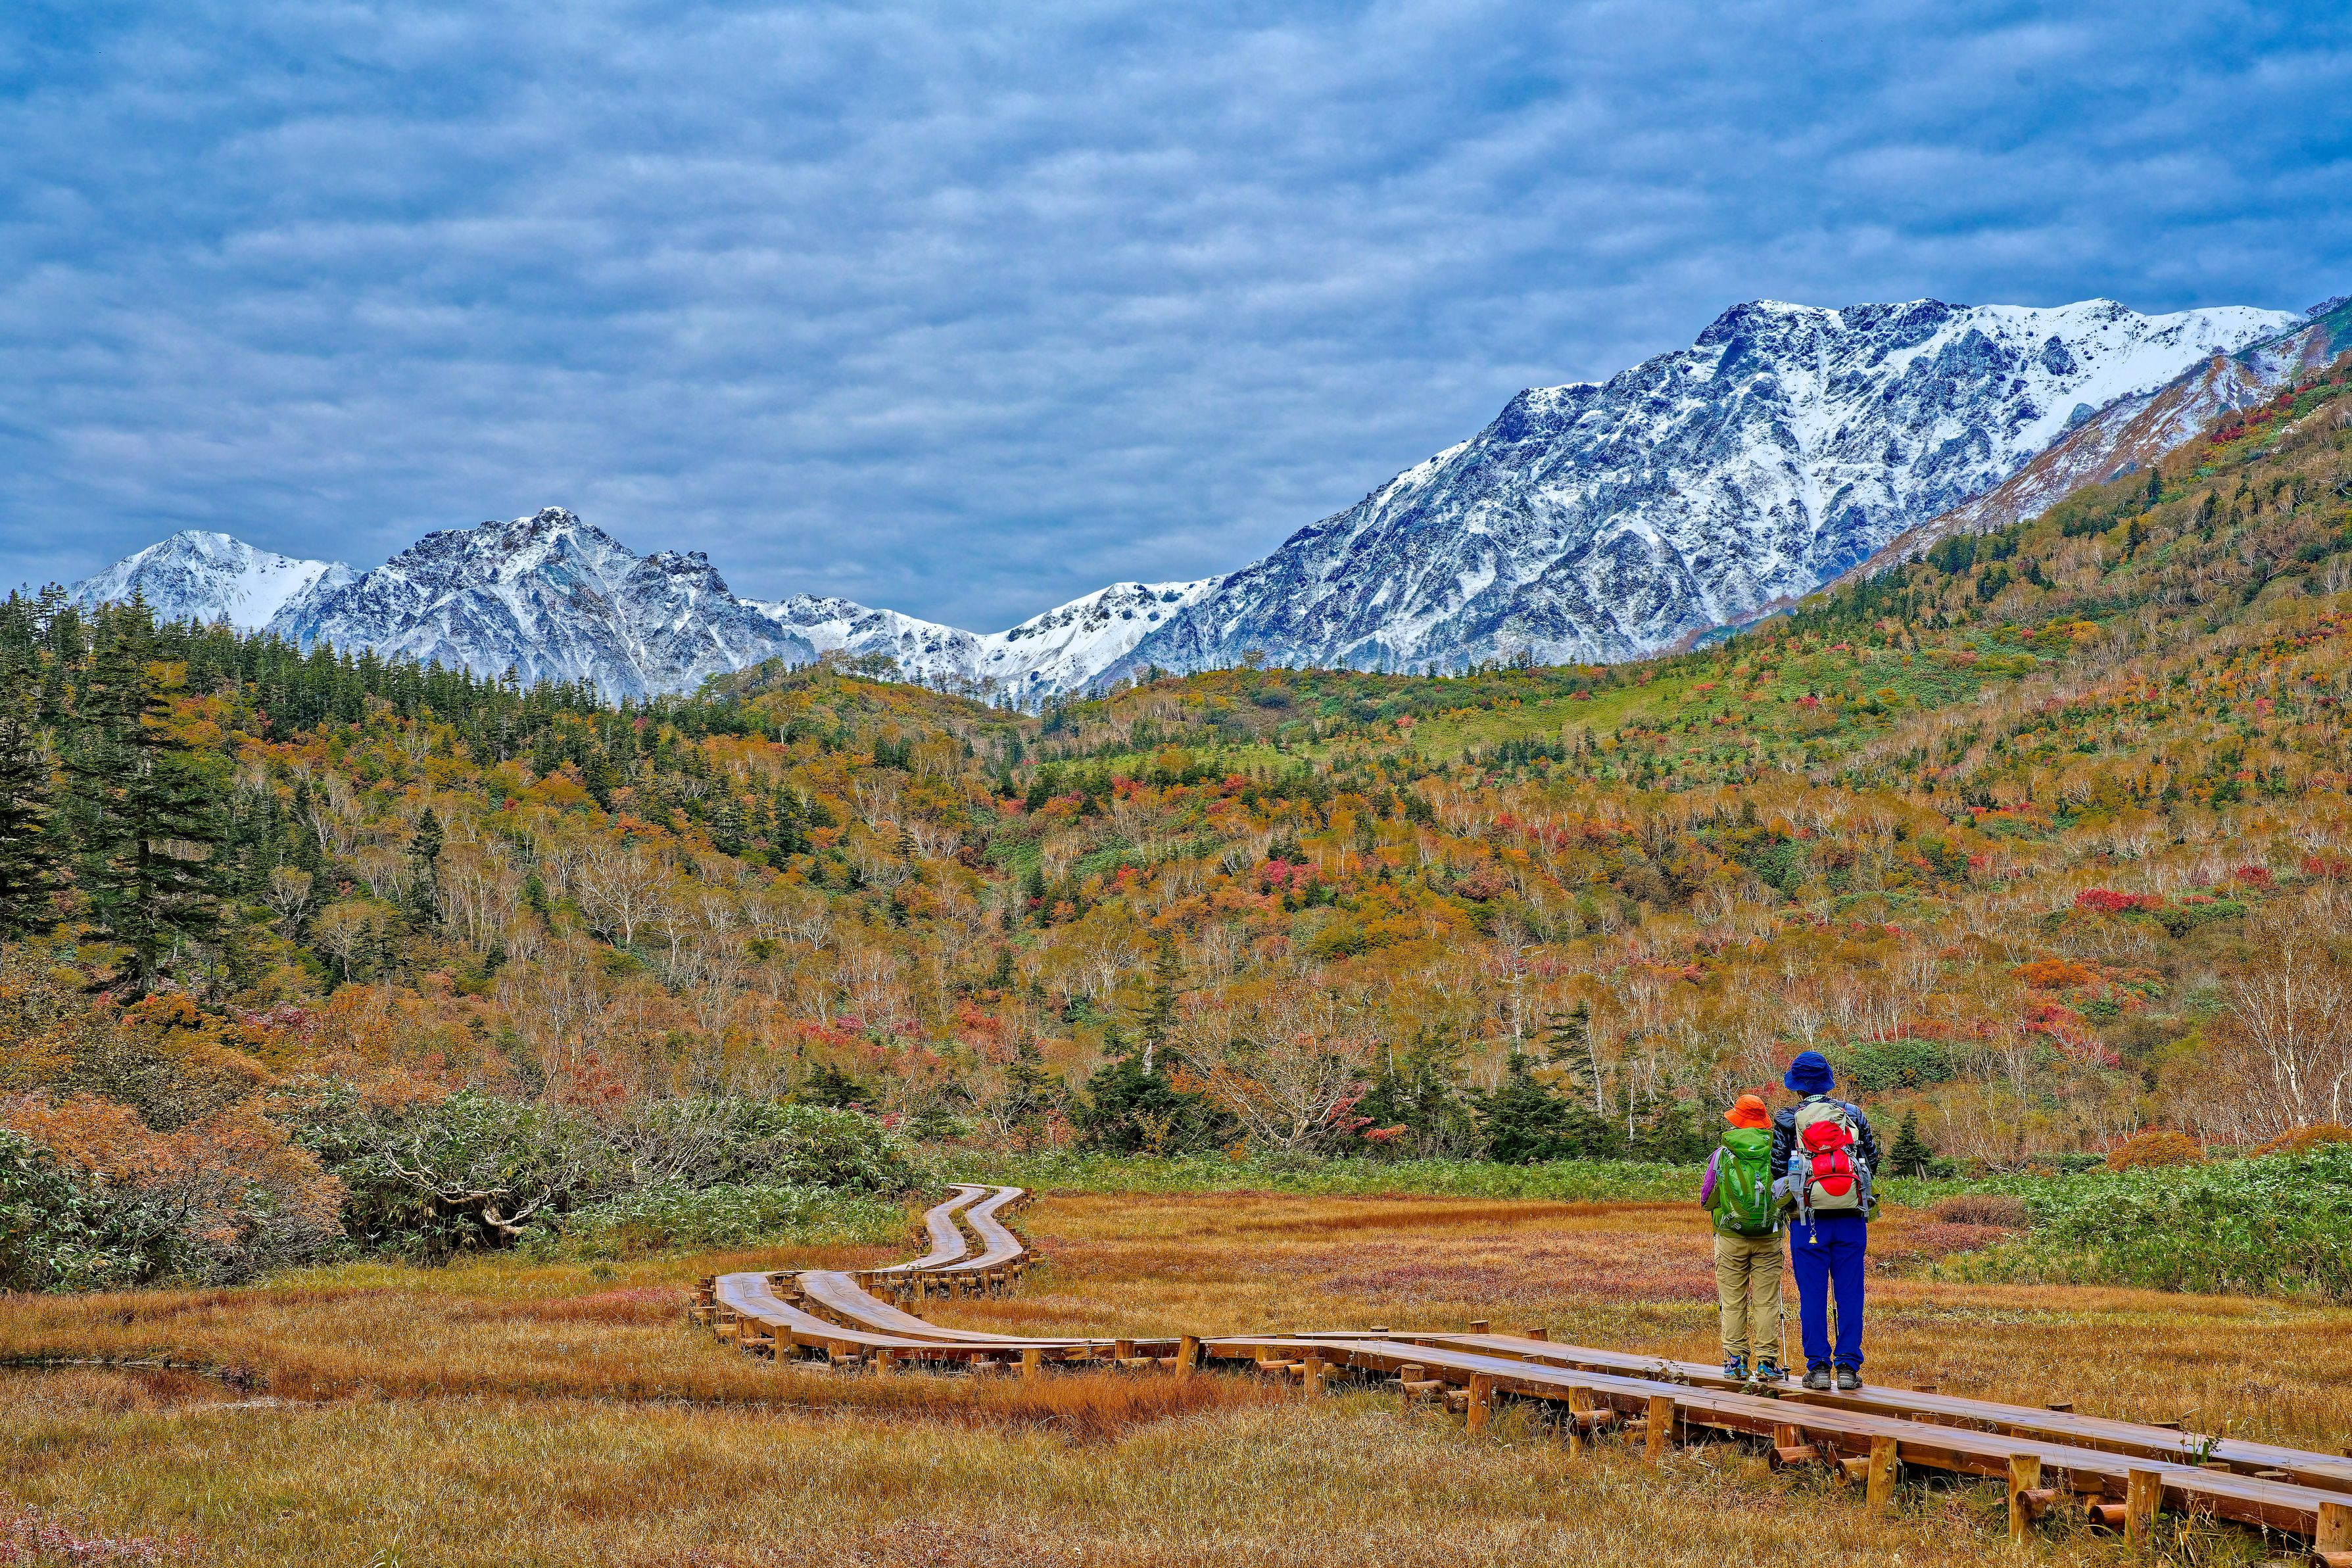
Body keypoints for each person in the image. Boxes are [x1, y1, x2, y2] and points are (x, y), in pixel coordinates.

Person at [1771, 1049, 1881, 1391]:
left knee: (1813, 1295)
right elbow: (1871, 1161)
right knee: (1850, 1293)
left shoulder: (1788, 1119)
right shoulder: (1852, 1114)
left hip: (1809, 1220)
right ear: (1828, 1082)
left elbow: (1778, 1171)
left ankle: (1818, 1368)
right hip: (1851, 1218)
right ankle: (1848, 1368)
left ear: (1797, 1086)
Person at [1701, 1091, 1785, 1383]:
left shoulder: (1722, 1154)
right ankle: (1767, 1363)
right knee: (1766, 1301)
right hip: (1769, 1235)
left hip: (1729, 1236)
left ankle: (1736, 1362)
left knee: (1733, 1300)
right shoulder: (1778, 1151)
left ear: (1737, 1121)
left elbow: (1707, 1197)